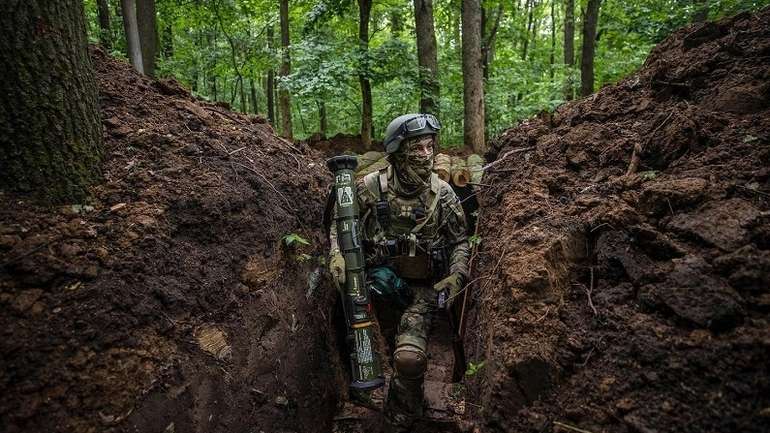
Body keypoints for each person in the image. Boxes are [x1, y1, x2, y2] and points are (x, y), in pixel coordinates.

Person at [327, 113, 470, 432]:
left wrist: (456, 275)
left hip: (422, 291)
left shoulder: (443, 194)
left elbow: (460, 240)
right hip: (378, 288)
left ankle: (398, 419)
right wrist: (336, 255)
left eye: (430, 146)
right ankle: (407, 396)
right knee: (395, 349)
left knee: (409, 359)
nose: (426, 155)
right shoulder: (370, 187)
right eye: (416, 148)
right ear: (397, 151)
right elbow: (340, 220)